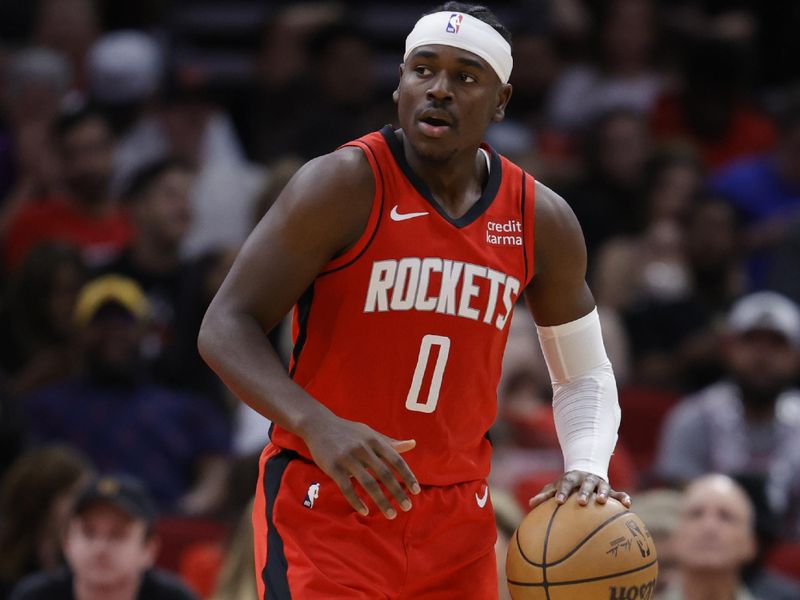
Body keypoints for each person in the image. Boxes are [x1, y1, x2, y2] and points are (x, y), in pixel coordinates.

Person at [199, 3, 627, 598]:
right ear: (400, 82)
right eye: (422, 70)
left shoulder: (541, 219)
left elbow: (584, 374)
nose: (439, 90)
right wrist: (314, 423)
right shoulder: (343, 184)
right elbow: (225, 325)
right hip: (330, 502)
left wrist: (586, 465)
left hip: (458, 519)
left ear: (501, 101)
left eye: (465, 77)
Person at [22, 275, 230, 514]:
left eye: (124, 322)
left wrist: (185, 512)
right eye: (100, 323)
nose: (113, 333)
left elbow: (216, 474)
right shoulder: (44, 407)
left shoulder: (186, 409)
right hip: (73, 527)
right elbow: (30, 479)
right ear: (78, 334)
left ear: (144, 332)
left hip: (165, 528)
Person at [655, 291, 800, 486]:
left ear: (796, 357)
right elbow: (678, 503)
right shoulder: (695, 417)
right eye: (751, 341)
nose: (762, 356)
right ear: (728, 349)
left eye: (777, 344)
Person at [10, 475, 199, 600]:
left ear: (149, 550)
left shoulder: (175, 598)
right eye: (88, 533)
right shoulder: (34, 596)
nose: (100, 548)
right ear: (67, 542)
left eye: (117, 536)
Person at [3, 105, 133, 270]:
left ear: (114, 148)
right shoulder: (33, 222)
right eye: (76, 153)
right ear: (60, 159)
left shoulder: (137, 220)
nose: (90, 163)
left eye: (96, 148)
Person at [0, 445, 93, 597]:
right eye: (74, 495)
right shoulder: (7, 567)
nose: (84, 506)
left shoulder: (79, 566)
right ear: (43, 499)